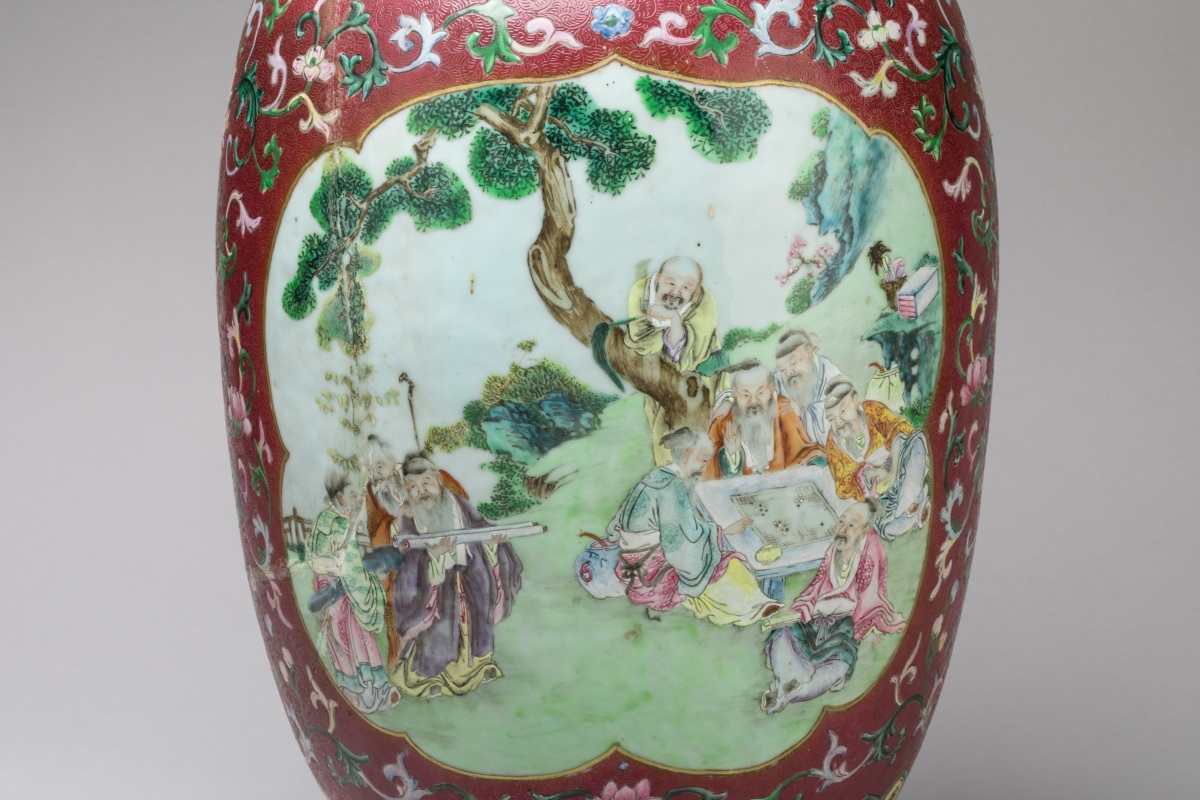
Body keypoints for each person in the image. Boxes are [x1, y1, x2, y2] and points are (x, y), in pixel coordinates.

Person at [606, 427, 782, 626]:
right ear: (687, 454)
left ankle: (755, 603)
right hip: (651, 571)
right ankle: (753, 607)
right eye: (703, 459)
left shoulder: (655, 476)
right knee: (729, 562)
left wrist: (716, 532)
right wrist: (721, 532)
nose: (704, 468)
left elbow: (618, 525)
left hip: (634, 560)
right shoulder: (673, 487)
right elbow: (682, 542)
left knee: (717, 555)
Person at [390, 455, 523, 698]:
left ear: (438, 480)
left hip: (468, 574)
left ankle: (478, 665)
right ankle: (430, 676)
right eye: (413, 487)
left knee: (475, 618)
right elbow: (408, 557)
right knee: (439, 630)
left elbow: (481, 528)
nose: (422, 491)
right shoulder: (409, 514)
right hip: (436, 584)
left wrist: (492, 544)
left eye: (426, 483)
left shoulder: (458, 504)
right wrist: (432, 558)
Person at [761, 501, 905, 714]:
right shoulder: (834, 551)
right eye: (841, 522)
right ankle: (789, 682)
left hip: (844, 624)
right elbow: (818, 587)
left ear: (864, 531)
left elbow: (868, 600)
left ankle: (784, 693)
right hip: (817, 619)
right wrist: (811, 607)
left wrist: (835, 607)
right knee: (782, 635)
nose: (843, 529)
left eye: (851, 525)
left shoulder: (868, 556)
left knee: (840, 664)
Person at [306, 473, 398, 713]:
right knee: (354, 633)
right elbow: (349, 565)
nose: (358, 499)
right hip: (339, 588)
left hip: (330, 584)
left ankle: (361, 690)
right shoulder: (338, 522)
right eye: (353, 494)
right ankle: (369, 690)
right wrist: (371, 585)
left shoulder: (329, 517)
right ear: (340, 497)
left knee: (342, 637)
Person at [625, 257, 724, 466]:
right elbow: (639, 339)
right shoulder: (640, 293)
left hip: (702, 380)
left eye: (686, 287)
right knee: (660, 431)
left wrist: (674, 319)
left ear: (695, 292)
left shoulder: (705, 304)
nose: (676, 292)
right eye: (670, 283)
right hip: (656, 376)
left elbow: (690, 358)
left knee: (700, 436)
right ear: (658, 280)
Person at [823, 378, 930, 539]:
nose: (838, 423)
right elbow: (844, 484)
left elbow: (898, 430)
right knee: (884, 525)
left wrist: (892, 472)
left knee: (916, 442)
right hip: (880, 494)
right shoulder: (834, 443)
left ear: (855, 401)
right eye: (832, 419)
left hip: (898, 466)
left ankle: (909, 499)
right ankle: (912, 507)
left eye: (843, 412)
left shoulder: (872, 410)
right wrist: (871, 475)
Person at [706, 360, 824, 478]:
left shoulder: (785, 409)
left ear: (771, 387)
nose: (753, 401)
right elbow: (710, 470)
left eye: (760, 393)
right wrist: (731, 454)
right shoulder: (723, 421)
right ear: (735, 393)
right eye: (746, 395)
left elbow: (803, 453)